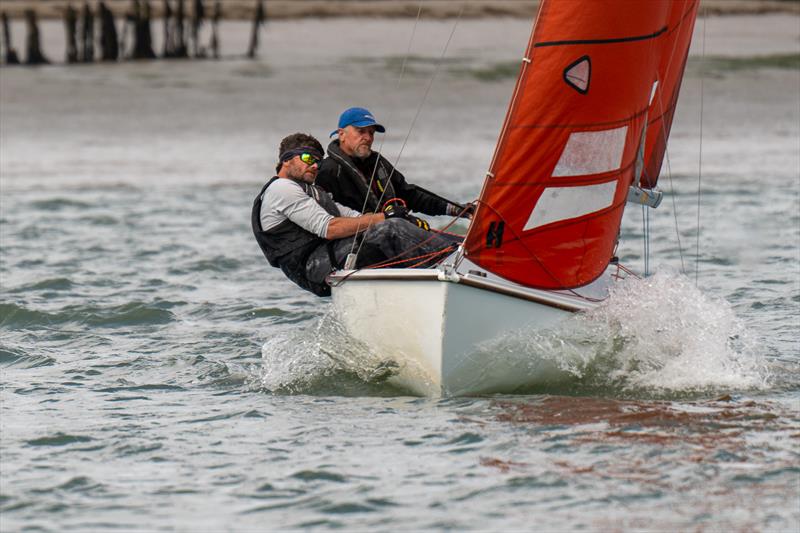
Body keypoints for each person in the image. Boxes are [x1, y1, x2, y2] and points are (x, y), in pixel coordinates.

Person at [252, 133, 458, 297]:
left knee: (391, 226)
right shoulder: (281, 189)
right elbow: (330, 228)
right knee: (390, 229)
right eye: (307, 158)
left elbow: (353, 216)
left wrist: (400, 218)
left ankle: (452, 258)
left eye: (318, 161)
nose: (315, 165)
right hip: (313, 267)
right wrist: (386, 218)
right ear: (286, 160)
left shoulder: (312, 191)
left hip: (330, 257)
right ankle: (457, 263)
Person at [315, 107, 473, 223]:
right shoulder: (328, 171)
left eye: (371, 133)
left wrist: (457, 209)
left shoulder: (378, 163)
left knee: (448, 244)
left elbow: (409, 195)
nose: (368, 137)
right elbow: (326, 221)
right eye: (360, 131)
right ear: (341, 134)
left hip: (390, 231)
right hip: (356, 244)